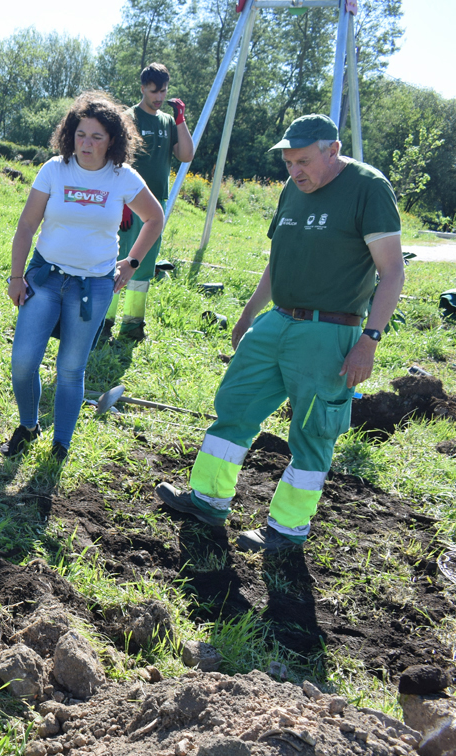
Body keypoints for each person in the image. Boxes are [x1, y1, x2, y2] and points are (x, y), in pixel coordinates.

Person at [155, 114, 405, 552]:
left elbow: (393, 272)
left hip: (329, 331)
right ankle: (208, 499)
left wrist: (370, 339)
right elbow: (279, 258)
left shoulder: (368, 187)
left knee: (311, 432)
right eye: (289, 162)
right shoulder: (294, 188)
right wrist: (250, 312)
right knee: (235, 404)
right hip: (279, 320)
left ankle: (286, 530)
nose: (295, 171)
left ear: (333, 150)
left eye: (304, 161)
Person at [2, 91, 164, 462]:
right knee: (24, 362)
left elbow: (155, 218)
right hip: (45, 278)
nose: (86, 144)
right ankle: (28, 426)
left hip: (92, 286)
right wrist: (15, 276)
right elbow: (27, 224)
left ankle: (61, 444)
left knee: (71, 369)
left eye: (96, 137)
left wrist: (131, 262)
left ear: (113, 141)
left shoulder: (123, 178)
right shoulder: (54, 170)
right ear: (69, 135)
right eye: (80, 134)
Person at [101, 62, 195, 343]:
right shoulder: (128, 118)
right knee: (120, 261)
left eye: (163, 91)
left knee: (143, 264)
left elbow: (186, 155)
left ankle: (132, 326)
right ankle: (103, 323)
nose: (159, 97)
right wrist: (120, 204)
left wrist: (181, 120)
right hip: (128, 204)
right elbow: (114, 161)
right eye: (153, 91)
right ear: (142, 88)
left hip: (155, 206)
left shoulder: (168, 121)